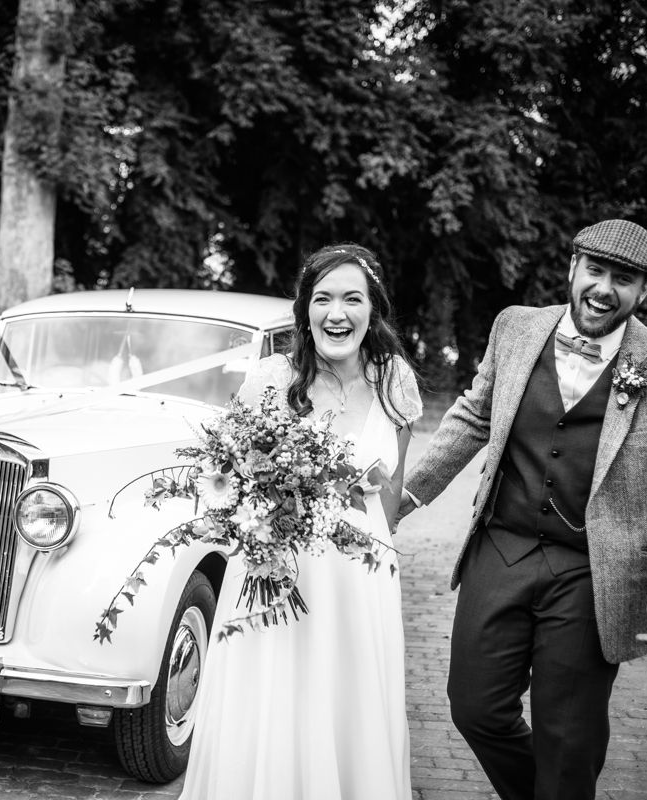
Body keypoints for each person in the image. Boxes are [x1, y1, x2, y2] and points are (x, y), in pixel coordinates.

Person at [403, 219, 647, 800]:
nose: (603, 289)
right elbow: (475, 416)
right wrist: (407, 494)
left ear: (644, 291)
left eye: (622, 280)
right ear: (572, 267)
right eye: (595, 271)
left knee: (568, 737)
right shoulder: (516, 327)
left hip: (592, 569)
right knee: (475, 708)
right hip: (501, 547)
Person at [179, 243, 422, 800]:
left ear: (373, 309)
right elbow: (231, 476)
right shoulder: (270, 377)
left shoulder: (395, 382)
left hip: (358, 583)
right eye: (323, 299)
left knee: (347, 703)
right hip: (274, 573)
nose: (336, 313)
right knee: (273, 704)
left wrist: (363, 556)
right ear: (305, 310)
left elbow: (389, 497)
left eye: (352, 299)